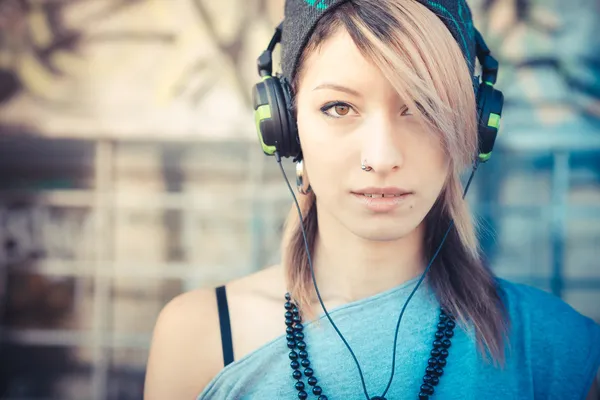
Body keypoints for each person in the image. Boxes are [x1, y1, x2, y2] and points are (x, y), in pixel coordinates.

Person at [143, 0, 600, 399]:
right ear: (285, 124)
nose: (381, 158)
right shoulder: (198, 336)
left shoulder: (560, 347)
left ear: (472, 125)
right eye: (339, 108)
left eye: (421, 107)